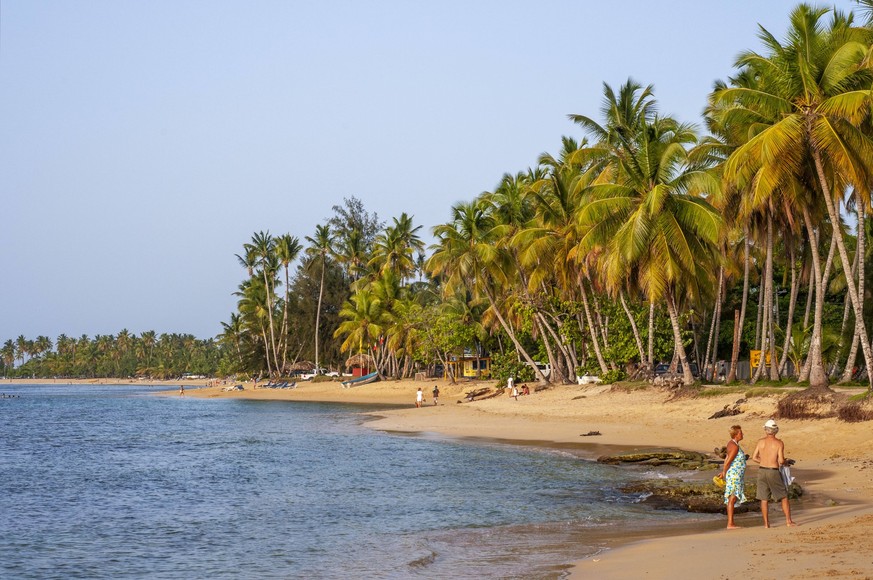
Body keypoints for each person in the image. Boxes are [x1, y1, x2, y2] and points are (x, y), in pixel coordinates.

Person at [751, 419, 797, 528]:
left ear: (766, 430)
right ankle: (788, 521)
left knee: (764, 499)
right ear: (775, 430)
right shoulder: (779, 443)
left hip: (762, 470)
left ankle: (766, 524)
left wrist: (763, 461)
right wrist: (786, 462)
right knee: (784, 497)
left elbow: (754, 458)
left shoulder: (760, 441)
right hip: (773, 471)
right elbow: (781, 461)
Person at [716, 424, 747, 529]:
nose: (742, 434)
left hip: (734, 474)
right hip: (734, 475)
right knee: (732, 498)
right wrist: (724, 472)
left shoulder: (731, 444)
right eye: (741, 433)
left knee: (732, 497)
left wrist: (723, 472)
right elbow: (727, 462)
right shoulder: (734, 446)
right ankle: (730, 523)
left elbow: (726, 459)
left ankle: (731, 523)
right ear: (736, 435)